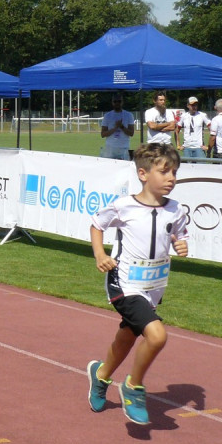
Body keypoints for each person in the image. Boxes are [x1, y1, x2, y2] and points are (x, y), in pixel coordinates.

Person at [86, 142, 190, 425]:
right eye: (164, 172)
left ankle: (102, 374)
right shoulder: (124, 206)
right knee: (156, 336)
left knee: (129, 334)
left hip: (155, 284)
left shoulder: (177, 210)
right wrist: (100, 254)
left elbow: (179, 234)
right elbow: (97, 224)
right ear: (143, 174)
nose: (171, 178)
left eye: (174, 173)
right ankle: (133, 387)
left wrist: (181, 245)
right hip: (125, 281)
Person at [99, 93, 134, 159]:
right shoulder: (107, 116)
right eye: (115, 101)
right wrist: (115, 128)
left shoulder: (129, 115)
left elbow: (131, 133)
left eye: (119, 101)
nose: (117, 103)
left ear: (122, 102)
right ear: (112, 102)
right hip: (110, 148)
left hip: (124, 148)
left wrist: (121, 126)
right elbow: (103, 134)